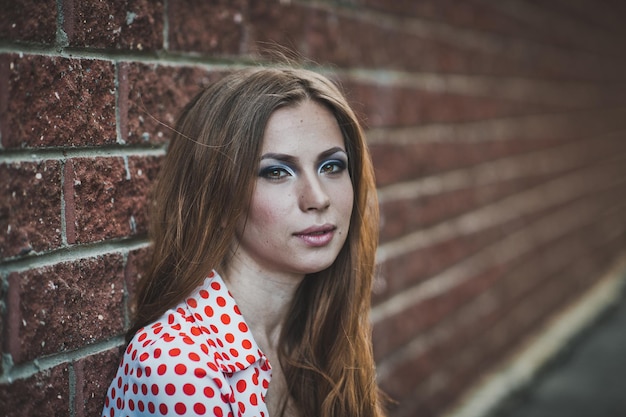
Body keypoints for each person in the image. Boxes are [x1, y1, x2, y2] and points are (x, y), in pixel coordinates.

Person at [102, 66, 385, 417]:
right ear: (217, 196)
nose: (317, 198)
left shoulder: (316, 335)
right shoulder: (178, 365)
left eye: (330, 166)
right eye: (277, 172)